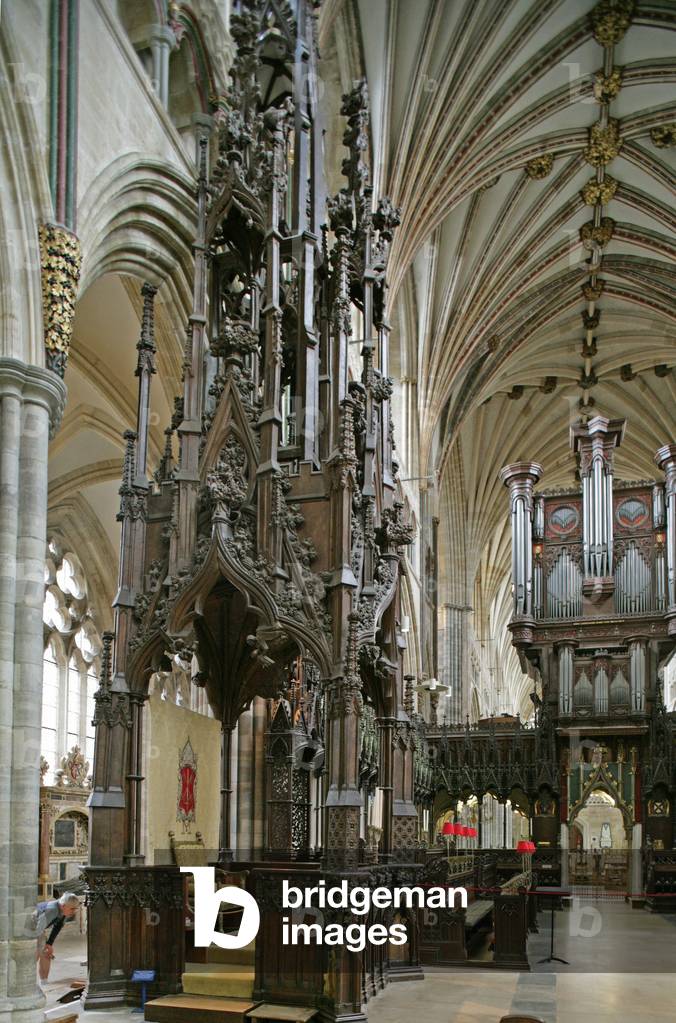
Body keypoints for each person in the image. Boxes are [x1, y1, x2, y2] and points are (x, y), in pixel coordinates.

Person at [34, 893, 80, 981]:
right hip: (28, 928)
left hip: (38, 929)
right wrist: (42, 947)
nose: (74, 911)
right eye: (72, 909)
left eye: (75, 909)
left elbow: (57, 926)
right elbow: (37, 930)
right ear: (63, 906)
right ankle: (25, 981)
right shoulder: (52, 910)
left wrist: (49, 944)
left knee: (46, 954)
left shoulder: (64, 911)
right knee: (35, 954)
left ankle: (44, 981)